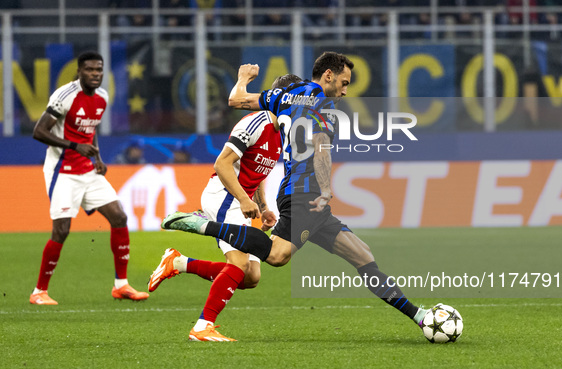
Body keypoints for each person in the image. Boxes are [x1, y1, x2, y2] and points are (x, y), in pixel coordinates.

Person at [162, 52, 437, 336]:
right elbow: (320, 146)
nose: (345, 90)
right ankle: (203, 225)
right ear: (328, 75)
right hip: (306, 194)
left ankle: (419, 316)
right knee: (277, 255)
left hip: (301, 195)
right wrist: (327, 189)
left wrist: (243, 78)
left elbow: (236, 100)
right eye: (344, 82)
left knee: (362, 255)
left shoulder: (285, 95)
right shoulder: (324, 104)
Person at [151, 74, 302, 341]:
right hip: (224, 196)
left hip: (241, 200)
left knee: (251, 277)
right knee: (239, 263)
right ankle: (202, 326)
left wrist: (262, 205)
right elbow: (222, 164)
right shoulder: (257, 121)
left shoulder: (284, 132)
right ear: (284, 98)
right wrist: (244, 199)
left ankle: (177, 262)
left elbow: (258, 170)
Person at [30, 51, 149, 305]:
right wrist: (74, 146)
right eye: (90, 70)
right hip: (62, 171)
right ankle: (39, 291)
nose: (95, 74)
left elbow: (90, 131)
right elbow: (39, 131)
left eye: (99, 70)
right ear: (79, 71)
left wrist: (98, 158)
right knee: (61, 230)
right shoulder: (65, 95)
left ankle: (121, 285)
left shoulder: (103, 97)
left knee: (119, 216)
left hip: (87, 168)